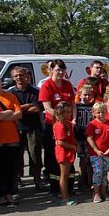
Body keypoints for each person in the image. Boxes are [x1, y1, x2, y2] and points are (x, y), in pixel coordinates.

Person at [38, 59, 76, 195]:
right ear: (51, 70)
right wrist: (61, 119)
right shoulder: (46, 85)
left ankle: (69, 187)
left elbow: (73, 104)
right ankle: (55, 188)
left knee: (70, 158)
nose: (60, 72)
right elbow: (47, 107)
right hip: (53, 126)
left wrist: (74, 118)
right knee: (54, 160)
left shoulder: (67, 84)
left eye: (62, 70)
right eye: (57, 70)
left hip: (68, 126)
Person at [8, 66, 46, 191]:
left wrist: (19, 108)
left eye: (21, 75)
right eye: (16, 76)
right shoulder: (10, 92)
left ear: (26, 76)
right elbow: (11, 110)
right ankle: (16, 181)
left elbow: (36, 109)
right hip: (15, 128)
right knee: (16, 156)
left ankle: (37, 179)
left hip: (33, 128)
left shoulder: (36, 91)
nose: (19, 78)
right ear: (13, 78)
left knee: (35, 154)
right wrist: (26, 106)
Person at [85, 102, 109, 203]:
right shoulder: (92, 124)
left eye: (103, 112)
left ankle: (104, 192)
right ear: (94, 113)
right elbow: (89, 138)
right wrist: (96, 150)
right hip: (96, 154)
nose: (101, 114)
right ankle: (96, 193)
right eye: (98, 112)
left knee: (105, 172)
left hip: (108, 153)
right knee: (97, 172)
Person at [0, 78, 21, 207]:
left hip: (12, 138)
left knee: (11, 168)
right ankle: (1, 195)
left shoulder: (10, 96)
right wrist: (9, 112)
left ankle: (10, 194)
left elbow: (19, 114)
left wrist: (2, 115)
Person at [52, 102, 77, 206]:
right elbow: (60, 142)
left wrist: (75, 144)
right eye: (66, 112)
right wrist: (73, 147)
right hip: (63, 152)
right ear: (60, 113)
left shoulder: (68, 123)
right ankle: (64, 198)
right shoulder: (59, 125)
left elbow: (71, 136)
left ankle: (66, 194)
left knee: (67, 174)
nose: (69, 114)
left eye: (70, 112)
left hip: (69, 150)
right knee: (64, 175)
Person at [74, 84, 96, 192]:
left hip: (90, 136)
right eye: (85, 95)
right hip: (80, 136)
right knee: (83, 160)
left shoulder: (93, 107)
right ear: (80, 95)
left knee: (91, 160)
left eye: (89, 95)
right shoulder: (76, 107)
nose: (87, 97)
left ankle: (91, 181)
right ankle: (81, 180)